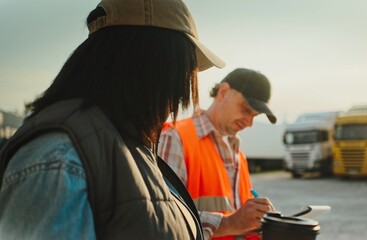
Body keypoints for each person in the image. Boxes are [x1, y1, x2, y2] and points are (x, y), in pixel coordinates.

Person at [0, 0, 225, 239]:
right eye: (180, 72)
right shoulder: (60, 158)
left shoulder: (128, 148)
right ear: (149, 64)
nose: (178, 96)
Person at [158, 68, 277, 240]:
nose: (250, 123)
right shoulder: (176, 138)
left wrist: (257, 225)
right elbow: (165, 218)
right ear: (223, 92)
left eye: (255, 116)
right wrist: (231, 223)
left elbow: (238, 227)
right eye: (245, 110)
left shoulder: (239, 156)